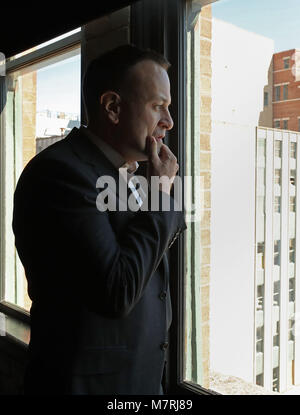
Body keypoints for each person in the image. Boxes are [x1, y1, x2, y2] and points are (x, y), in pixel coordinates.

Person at [12, 44, 186, 395]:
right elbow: (117, 290)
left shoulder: (133, 175)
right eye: (158, 107)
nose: (168, 122)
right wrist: (162, 194)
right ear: (112, 107)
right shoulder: (60, 174)